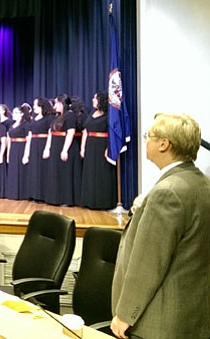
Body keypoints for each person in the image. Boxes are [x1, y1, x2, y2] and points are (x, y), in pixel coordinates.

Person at [111, 113, 210, 339]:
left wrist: (125, 315)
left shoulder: (167, 193)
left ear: (164, 144)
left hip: (157, 324)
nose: (146, 139)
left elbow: (148, 263)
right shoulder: (202, 183)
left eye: (149, 135)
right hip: (191, 317)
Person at [80, 92, 117, 209]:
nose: (93, 100)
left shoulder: (109, 115)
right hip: (90, 145)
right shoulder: (92, 114)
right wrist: (83, 147)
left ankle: (102, 202)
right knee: (90, 173)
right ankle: (89, 201)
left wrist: (109, 148)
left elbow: (112, 133)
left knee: (102, 173)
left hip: (102, 145)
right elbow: (86, 131)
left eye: (95, 98)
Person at [43, 94, 79, 205]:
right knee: (55, 172)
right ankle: (55, 198)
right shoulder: (56, 117)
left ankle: (65, 199)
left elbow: (71, 132)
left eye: (57, 103)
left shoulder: (70, 116)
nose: (55, 106)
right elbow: (51, 133)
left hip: (64, 146)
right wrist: (47, 148)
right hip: (55, 147)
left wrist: (64, 150)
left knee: (64, 173)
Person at [24, 97, 54, 201]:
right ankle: (34, 194)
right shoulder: (34, 119)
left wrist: (47, 148)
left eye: (36, 105)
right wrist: (26, 153)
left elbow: (50, 133)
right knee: (34, 170)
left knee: (42, 170)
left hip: (43, 144)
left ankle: (42, 195)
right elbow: (30, 135)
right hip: (34, 145)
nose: (34, 107)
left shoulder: (49, 118)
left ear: (42, 106)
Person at [4, 105, 31, 200]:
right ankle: (13, 193)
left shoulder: (26, 125)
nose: (13, 115)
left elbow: (29, 140)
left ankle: (23, 194)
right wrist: (8, 154)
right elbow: (10, 140)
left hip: (21, 148)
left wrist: (26, 155)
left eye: (16, 113)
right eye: (13, 113)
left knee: (22, 171)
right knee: (14, 171)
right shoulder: (12, 126)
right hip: (13, 149)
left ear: (21, 114)